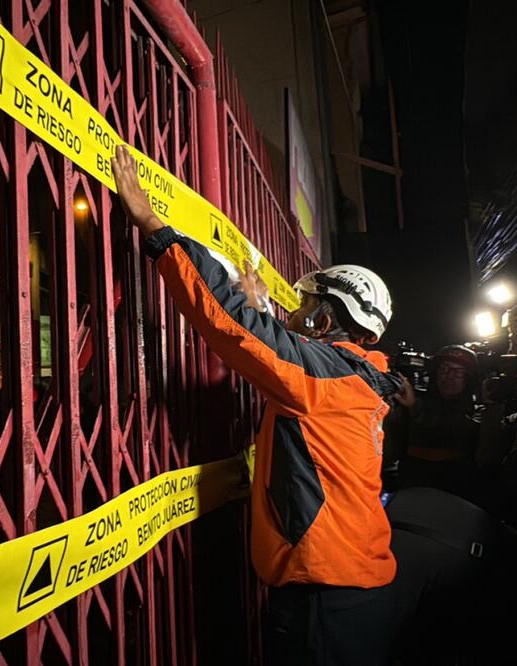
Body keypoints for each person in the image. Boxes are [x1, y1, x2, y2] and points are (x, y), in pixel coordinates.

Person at [112, 146, 405, 664]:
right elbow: (275, 352)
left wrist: (156, 229)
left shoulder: (328, 376)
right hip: (350, 589)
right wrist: (259, 308)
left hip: (325, 596)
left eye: (306, 307)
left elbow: (238, 329)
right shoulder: (353, 377)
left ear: (326, 320)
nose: (295, 314)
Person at [394, 345, 481, 497]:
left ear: (469, 379)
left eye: (459, 372)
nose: (449, 376)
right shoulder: (414, 402)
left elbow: (460, 430)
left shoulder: (478, 413)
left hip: (455, 497)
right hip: (410, 492)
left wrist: (414, 407)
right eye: (444, 369)